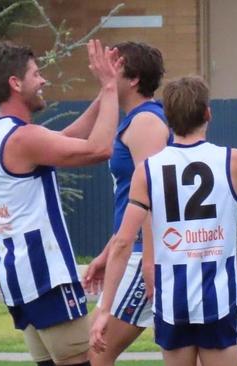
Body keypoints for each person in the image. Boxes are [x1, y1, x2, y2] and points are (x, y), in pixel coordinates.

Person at [89, 76, 237, 366]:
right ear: (208, 113)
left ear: (167, 120)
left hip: (172, 303)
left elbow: (122, 242)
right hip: (218, 299)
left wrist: (105, 309)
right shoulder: (231, 161)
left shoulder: (148, 170)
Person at [0, 40, 120, 366]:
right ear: (15, 83)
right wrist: (108, 87)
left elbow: (67, 139)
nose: (43, 80)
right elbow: (99, 149)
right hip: (46, 275)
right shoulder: (23, 138)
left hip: (19, 275)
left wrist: (107, 90)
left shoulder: (2, 134)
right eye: (36, 74)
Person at [81, 41, 168, 365]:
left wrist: (149, 260)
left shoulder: (146, 122)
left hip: (143, 254)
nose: (104, 73)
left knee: (96, 352)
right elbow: (131, 202)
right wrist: (106, 254)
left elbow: (151, 197)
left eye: (113, 67)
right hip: (131, 251)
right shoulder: (135, 119)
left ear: (133, 79)